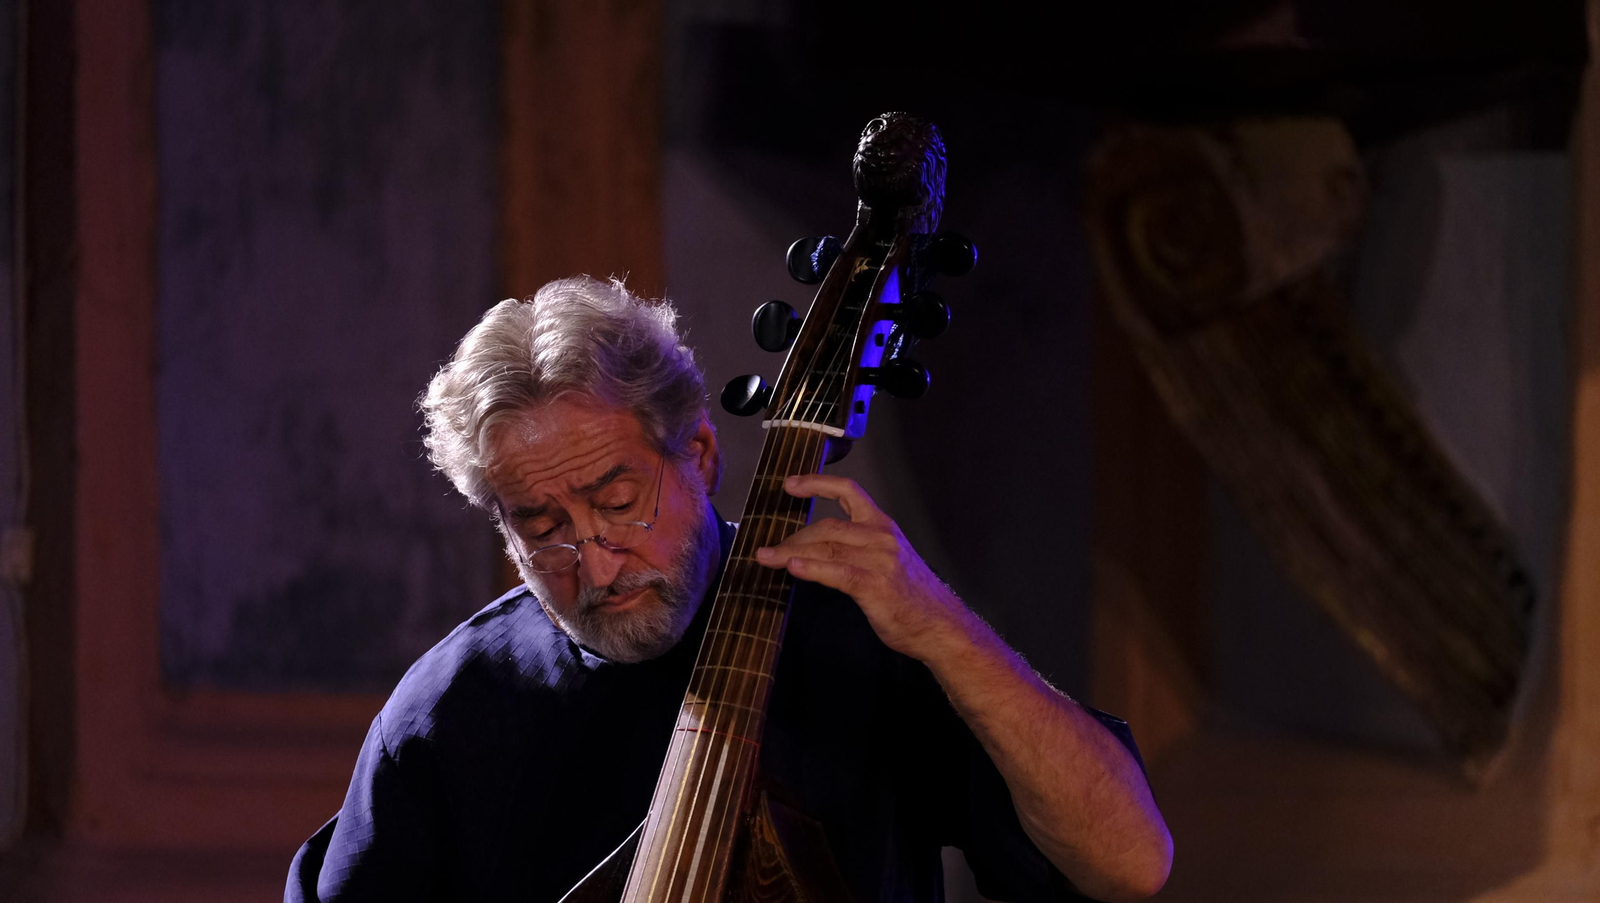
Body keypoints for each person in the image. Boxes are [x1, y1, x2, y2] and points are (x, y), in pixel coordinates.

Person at [285, 276, 1172, 903]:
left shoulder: (867, 638)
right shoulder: (446, 715)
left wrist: (941, 630)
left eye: (619, 503)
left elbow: (1129, 863)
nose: (593, 566)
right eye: (540, 526)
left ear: (700, 456)